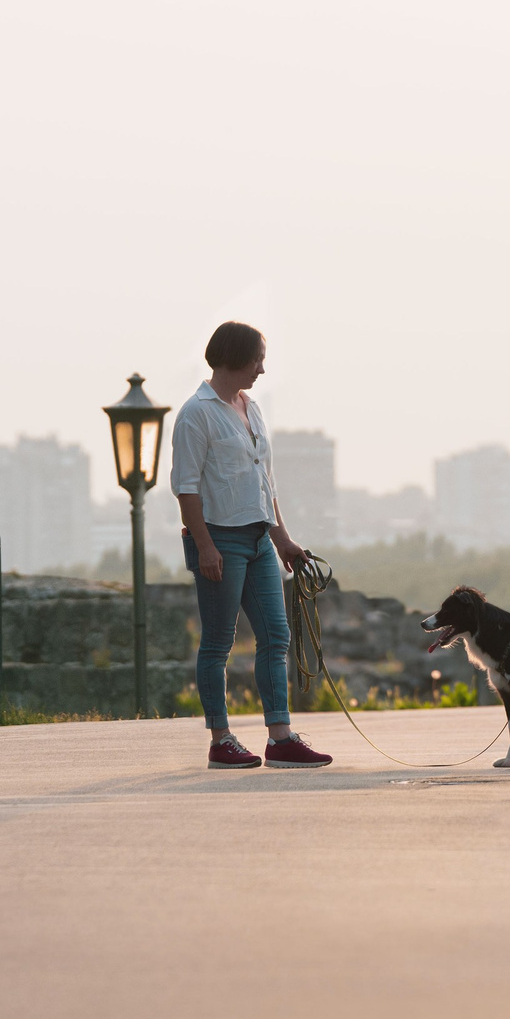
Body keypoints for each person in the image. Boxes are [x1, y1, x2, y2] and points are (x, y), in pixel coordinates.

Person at [169, 321, 332, 769]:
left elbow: (264, 482)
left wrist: (283, 539)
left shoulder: (251, 406)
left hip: (260, 539)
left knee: (276, 636)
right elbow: (186, 489)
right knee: (219, 643)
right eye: (257, 358)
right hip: (219, 538)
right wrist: (204, 547)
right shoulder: (195, 413)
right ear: (234, 357)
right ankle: (220, 741)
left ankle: (279, 738)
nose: (262, 368)